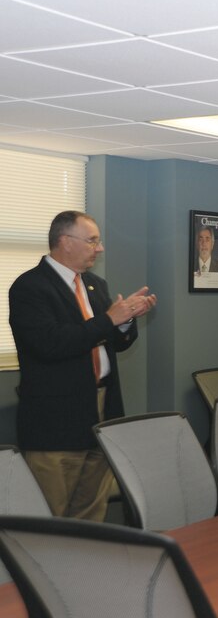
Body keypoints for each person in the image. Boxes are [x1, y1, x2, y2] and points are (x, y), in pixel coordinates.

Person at [9, 210, 157, 520]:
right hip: (55, 421)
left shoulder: (95, 285)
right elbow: (51, 345)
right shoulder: (29, 287)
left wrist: (125, 320)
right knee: (50, 516)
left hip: (101, 411)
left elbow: (114, 342)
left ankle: (85, 568)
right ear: (65, 241)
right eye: (92, 241)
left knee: (91, 512)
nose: (99, 248)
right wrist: (108, 319)